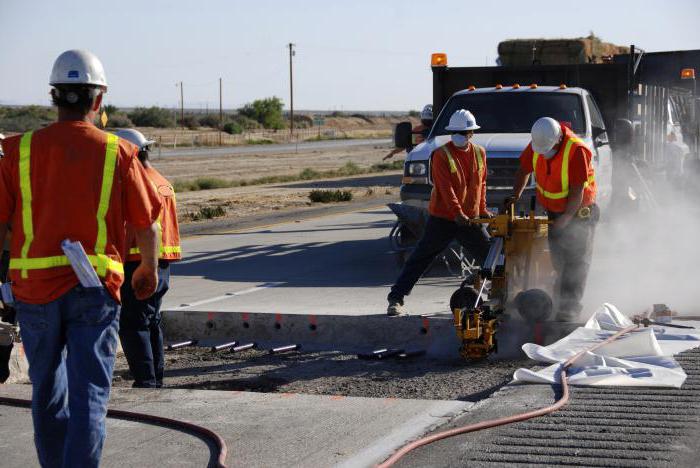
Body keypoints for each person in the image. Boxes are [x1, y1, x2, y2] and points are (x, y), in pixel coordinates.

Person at [0, 49, 162, 467]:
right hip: (94, 291)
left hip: (34, 293)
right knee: (89, 392)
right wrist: (147, 267)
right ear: (98, 99)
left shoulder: (18, 151)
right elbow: (147, 224)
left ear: (54, 96)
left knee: (46, 390)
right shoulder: (118, 153)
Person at [387, 109, 492, 316]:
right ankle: (395, 299)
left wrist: (482, 209)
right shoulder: (441, 154)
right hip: (444, 219)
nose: (459, 136)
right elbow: (446, 188)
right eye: (456, 132)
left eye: (463, 132)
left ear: (472, 133)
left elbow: (481, 183)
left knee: (491, 259)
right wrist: (457, 213)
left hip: (469, 220)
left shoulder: (480, 152)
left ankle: (500, 296)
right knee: (421, 258)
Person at [506, 117, 598, 322]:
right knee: (559, 260)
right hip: (555, 212)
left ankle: (569, 309)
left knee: (576, 262)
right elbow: (523, 170)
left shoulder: (576, 151)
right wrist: (515, 196)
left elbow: (577, 190)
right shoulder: (538, 143)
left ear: (557, 140)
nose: (543, 154)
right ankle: (559, 301)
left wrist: (567, 217)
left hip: (580, 212)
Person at [113, 129, 181, 388]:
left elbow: (134, 226)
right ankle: (155, 379)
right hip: (160, 263)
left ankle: (146, 382)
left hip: (137, 263)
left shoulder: (139, 184)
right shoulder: (162, 180)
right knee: (151, 322)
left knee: (132, 325)